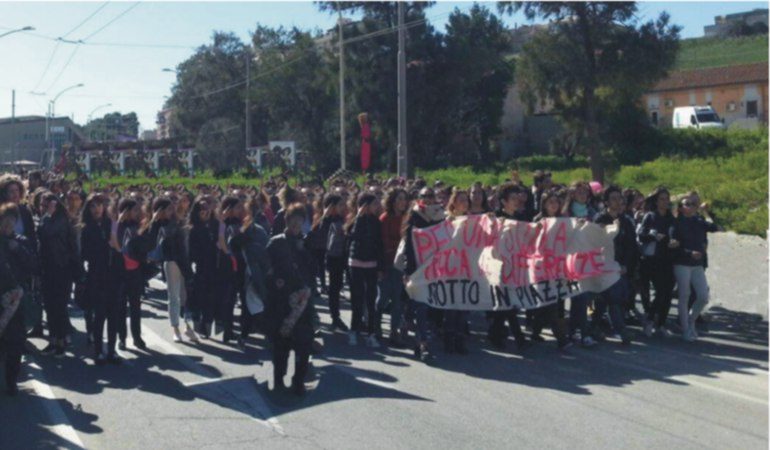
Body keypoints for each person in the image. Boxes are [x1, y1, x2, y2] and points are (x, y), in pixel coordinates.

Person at [265, 203, 316, 396]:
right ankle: (278, 379)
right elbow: (265, 270)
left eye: (300, 221)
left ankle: (298, 381)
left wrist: (304, 250)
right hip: (282, 300)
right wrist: (275, 283)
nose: (296, 225)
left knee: (304, 345)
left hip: (303, 300)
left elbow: (313, 270)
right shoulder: (276, 242)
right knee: (281, 345)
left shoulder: (305, 243)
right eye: (293, 220)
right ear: (287, 220)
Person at [403, 187, 445, 362]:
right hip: (417, 269)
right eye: (424, 196)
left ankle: (409, 323)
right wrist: (408, 271)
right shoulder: (413, 216)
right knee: (421, 307)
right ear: (418, 198)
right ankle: (422, 344)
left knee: (430, 306)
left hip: (435, 268)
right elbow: (408, 245)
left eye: (430, 196)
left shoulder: (440, 216)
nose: (427, 199)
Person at [81, 194, 124, 364]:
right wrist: (102, 245)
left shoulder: (112, 225)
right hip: (97, 276)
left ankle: (112, 351)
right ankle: (98, 350)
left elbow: (121, 251)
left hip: (114, 275)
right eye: (92, 206)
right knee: (99, 315)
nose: (97, 209)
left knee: (114, 315)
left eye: (99, 205)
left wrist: (114, 245)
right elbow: (84, 254)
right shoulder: (87, 228)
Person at [37, 192, 81, 357]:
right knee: (49, 306)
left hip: (61, 268)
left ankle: (61, 342)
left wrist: (48, 214)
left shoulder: (60, 221)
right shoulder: (47, 219)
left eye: (45, 204)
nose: (42, 207)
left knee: (59, 307)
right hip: (48, 268)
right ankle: (53, 340)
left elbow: (46, 233)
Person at [0, 203, 37, 395]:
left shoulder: (20, 241)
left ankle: (11, 381)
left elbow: (33, 266)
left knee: (15, 342)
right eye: (4, 221)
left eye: (11, 221)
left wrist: (18, 250)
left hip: (15, 298)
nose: (7, 225)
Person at [672, 196, 719, 341]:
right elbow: (674, 246)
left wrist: (705, 213)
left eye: (693, 204)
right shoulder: (676, 223)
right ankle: (685, 328)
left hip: (697, 265)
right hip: (682, 263)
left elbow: (716, 227)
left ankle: (691, 321)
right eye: (688, 204)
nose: (692, 206)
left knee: (703, 297)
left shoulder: (699, 221)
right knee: (684, 295)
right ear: (680, 208)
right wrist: (689, 253)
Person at [592, 185, 635, 345]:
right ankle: (620, 329)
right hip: (604, 267)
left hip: (619, 267)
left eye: (620, 198)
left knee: (607, 300)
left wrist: (626, 265)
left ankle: (592, 327)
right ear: (606, 202)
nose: (618, 202)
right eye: (614, 199)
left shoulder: (626, 221)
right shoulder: (600, 219)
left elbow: (631, 246)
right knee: (613, 298)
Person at [488, 183, 529, 350]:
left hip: (515, 267)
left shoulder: (519, 219)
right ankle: (516, 336)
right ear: (504, 201)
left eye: (517, 198)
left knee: (508, 302)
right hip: (499, 266)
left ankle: (497, 334)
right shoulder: (496, 217)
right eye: (512, 198)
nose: (516, 202)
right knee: (505, 302)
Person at [530, 190, 572, 350]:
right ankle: (562, 339)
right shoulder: (538, 220)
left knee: (553, 303)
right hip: (542, 268)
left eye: (556, 201)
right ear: (544, 204)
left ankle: (535, 330)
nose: (554, 204)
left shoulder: (564, 221)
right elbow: (531, 243)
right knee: (549, 302)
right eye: (550, 202)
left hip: (559, 268)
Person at [638, 187, 678, 338]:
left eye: (667, 199)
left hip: (667, 258)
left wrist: (675, 241)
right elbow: (641, 235)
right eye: (662, 199)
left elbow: (676, 233)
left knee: (667, 293)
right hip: (652, 259)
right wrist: (653, 235)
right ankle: (649, 319)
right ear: (655, 201)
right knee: (660, 291)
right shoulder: (650, 216)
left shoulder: (671, 218)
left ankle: (660, 323)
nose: (665, 202)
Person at [346, 193, 384, 348]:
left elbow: (379, 244)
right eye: (374, 204)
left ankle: (371, 333)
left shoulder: (376, 222)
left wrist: (380, 267)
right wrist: (360, 218)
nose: (377, 206)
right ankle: (354, 331)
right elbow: (354, 236)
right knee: (357, 299)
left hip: (371, 263)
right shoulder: (355, 221)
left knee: (371, 299)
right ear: (365, 205)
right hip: (356, 263)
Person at [377, 188, 408, 347]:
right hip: (387, 264)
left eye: (404, 199)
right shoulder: (385, 218)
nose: (403, 202)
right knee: (382, 298)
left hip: (401, 265)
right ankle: (375, 327)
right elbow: (382, 244)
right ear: (393, 201)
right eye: (399, 199)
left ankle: (394, 331)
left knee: (398, 301)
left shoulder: (406, 218)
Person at [116, 198, 147, 350]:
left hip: (135, 271)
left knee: (135, 306)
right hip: (120, 272)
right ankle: (122, 338)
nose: (137, 212)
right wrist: (119, 222)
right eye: (134, 210)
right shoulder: (117, 226)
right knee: (121, 307)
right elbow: (116, 243)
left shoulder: (138, 226)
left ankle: (137, 336)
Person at [442, 188, 471, 354]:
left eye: (466, 200)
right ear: (453, 202)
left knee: (463, 306)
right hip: (451, 268)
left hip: (467, 268)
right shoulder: (447, 220)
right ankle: (448, 338)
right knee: (452, 306)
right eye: (461, 200)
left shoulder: (472, 220)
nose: (464, 203)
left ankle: (459, 339)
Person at [188, 198, 218, 339]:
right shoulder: (193, 228)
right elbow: (191, 252)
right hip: (199, 268)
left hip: (214, 267)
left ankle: (207, 326)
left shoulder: (215, 225)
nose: (205, 212)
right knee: (197, 298)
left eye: (208, 209)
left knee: (211, 299)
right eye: (202, 210)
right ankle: (196, 324)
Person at [321, 194, 349, 331]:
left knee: (336, 288)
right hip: (328, 257)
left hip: (340, 258)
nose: (343, 207)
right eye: (340, 205)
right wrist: (324, 217)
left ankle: (335, 316)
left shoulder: (341, 219)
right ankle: (333, 316)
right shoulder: (325, 220)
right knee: (333, 289)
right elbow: (320, 235)